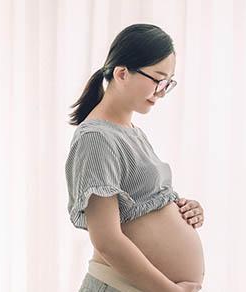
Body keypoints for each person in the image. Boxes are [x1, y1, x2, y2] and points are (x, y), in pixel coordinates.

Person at [65, 23, 205, 292]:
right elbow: (106, 240)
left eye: (168, 82)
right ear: (122, 73)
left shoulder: (130, 132)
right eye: (157, 79)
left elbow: (142, 206)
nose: (162, 91)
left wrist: (185, 210)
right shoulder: (96, 138)